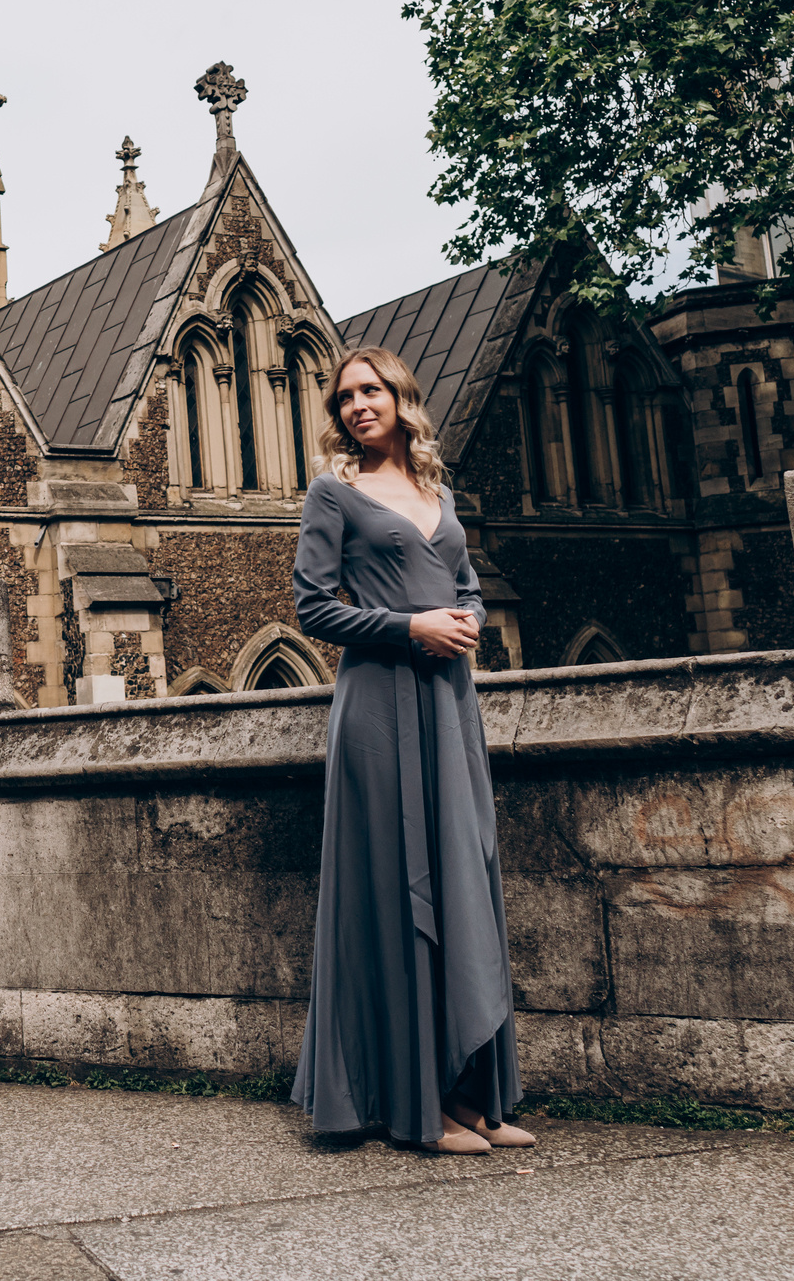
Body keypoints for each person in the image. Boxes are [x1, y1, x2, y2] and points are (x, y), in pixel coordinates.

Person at [288, 345, 534, 1153]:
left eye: (372, 391)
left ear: (401, 398)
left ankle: (472, 1095)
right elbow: (313, 608)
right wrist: (409, 627)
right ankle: (418, 1108)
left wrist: (467, 620)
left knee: (464, 869)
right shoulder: (333, 493)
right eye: (345, 397)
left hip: (449, 701)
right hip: (379, 702)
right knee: (401, 885)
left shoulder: (437, 491)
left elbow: (467, 585)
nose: (358, 405)